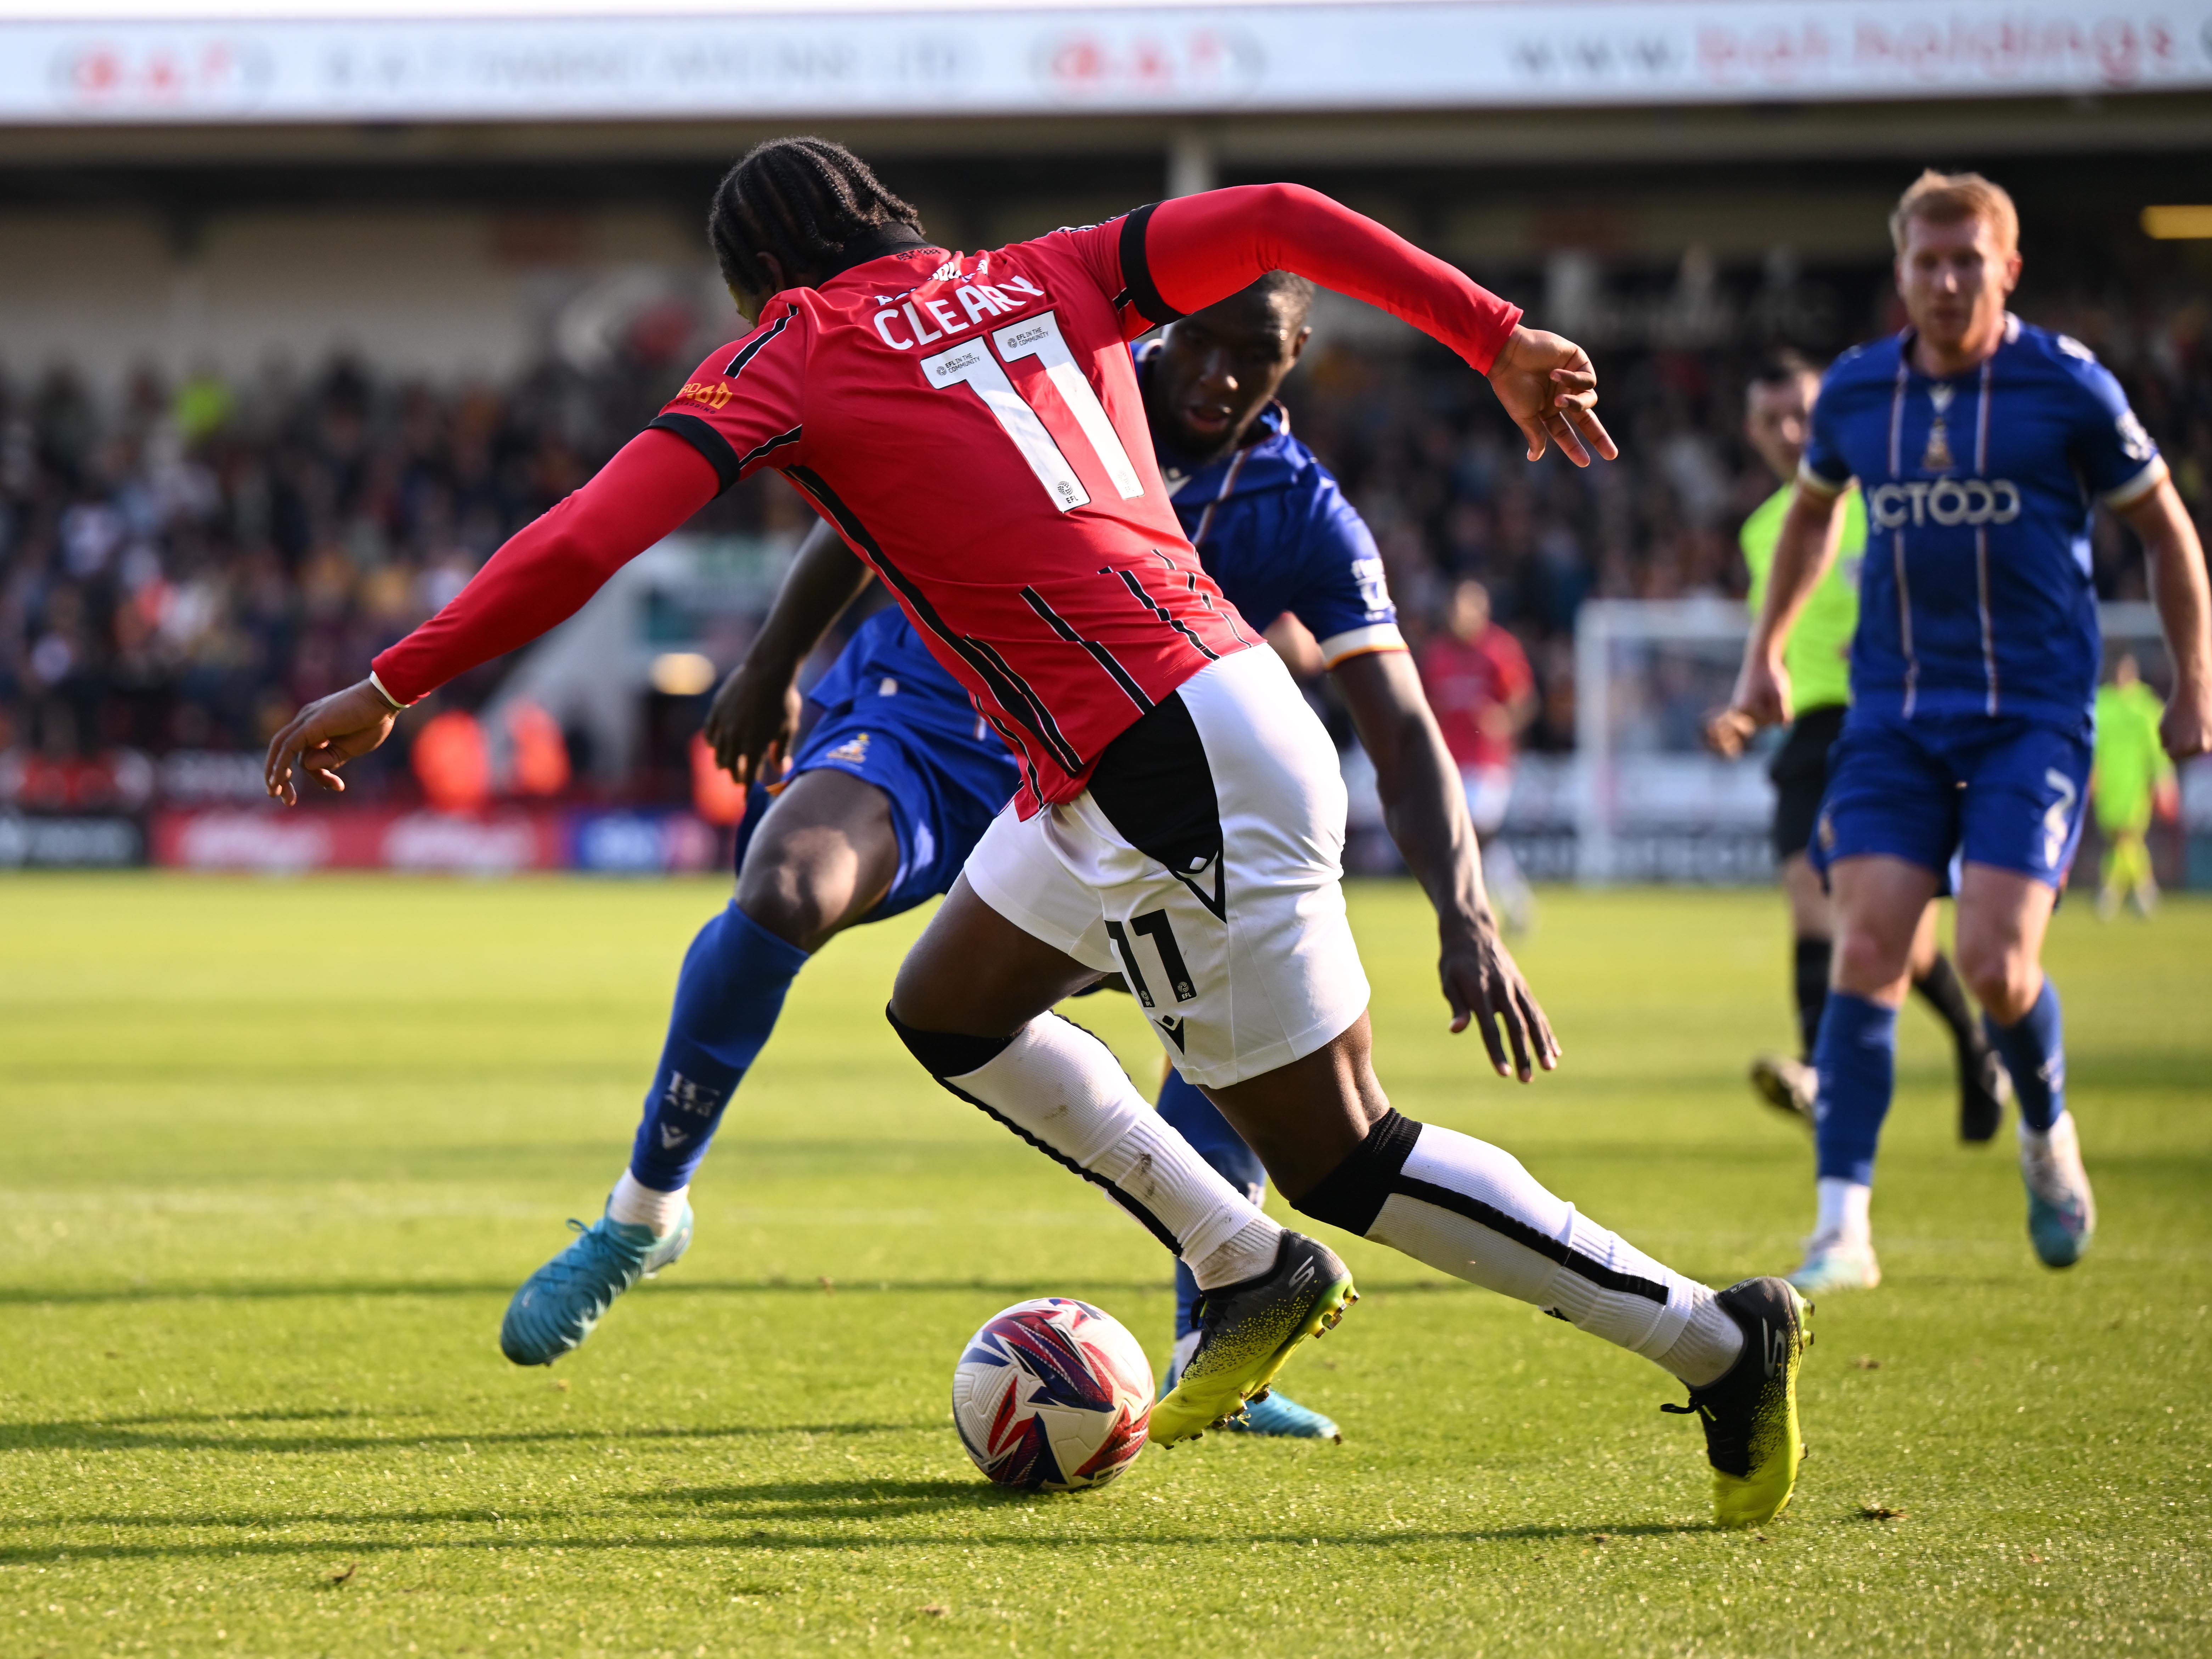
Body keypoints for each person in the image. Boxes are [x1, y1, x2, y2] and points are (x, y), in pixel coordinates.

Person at [267, 137, 1811, 1525]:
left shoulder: (784, 355)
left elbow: (590, 529)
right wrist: (1490, 333)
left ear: (755, 278)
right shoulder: (1047, 268)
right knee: (947, 1006)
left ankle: (1714, 1338)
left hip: (1171, 765)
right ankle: (1239, 1260)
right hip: (1144, 747)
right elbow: (1277, 213)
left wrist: (397, 681)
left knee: (1345, 1154)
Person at [1723, 169, 2211, 1293]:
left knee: (1994, 966)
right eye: (1923, 264)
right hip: (1892, 717)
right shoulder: (1854, 393)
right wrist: (1764, 653)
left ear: (2006, 268)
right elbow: (1806, 516)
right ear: (1898, 274)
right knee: (1863, 945)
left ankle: (2045, 1133)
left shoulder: (2067, 389)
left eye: (1965, 262)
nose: (1944, 283)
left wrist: (2194, 679)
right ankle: (1838, 1229)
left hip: (2027, 719)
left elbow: (2166, 531)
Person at [1709, 349, 2011, 1151]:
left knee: (1900, 942)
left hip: (1893, 725)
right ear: (1751, 431)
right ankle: (1824, 1076)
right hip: (1812, 735)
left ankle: (1977, 1049)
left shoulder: (1886, 504)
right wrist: (1744, 713)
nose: (1790, 431)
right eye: (1772, 420)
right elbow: (1779, 650)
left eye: (1802, 413)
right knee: (1813, 900)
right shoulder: (1762, 532)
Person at [1417, 580, 1538, 933]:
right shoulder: (1437, 653)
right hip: (1450, 760)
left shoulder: (1498, 650)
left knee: (1473, 833)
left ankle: (1477, 909)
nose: (1457, 616)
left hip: (1489, 762)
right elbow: (1426, 702)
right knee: (1472, 837)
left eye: (1464, 609)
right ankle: (1514, 903)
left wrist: (1505, 719)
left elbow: (1524, 702)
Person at [2091, 652, 2176, 919]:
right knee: (2122, 837)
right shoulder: (2102, 702)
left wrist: (2164, 780)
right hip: (2110, 779)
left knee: (2127, 834)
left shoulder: (2145, 705)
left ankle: (2111, 893)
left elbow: (2157, 748)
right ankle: (2143, 888)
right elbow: (2091, 743)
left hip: (2136, 780)